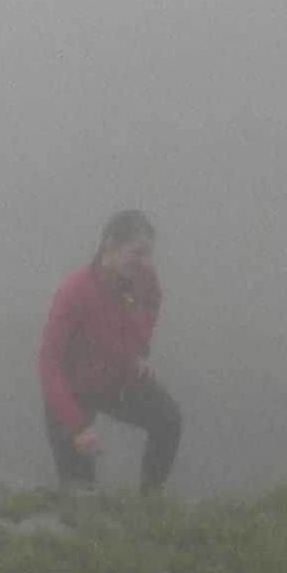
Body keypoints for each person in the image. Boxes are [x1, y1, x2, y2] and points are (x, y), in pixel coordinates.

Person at [37, 209, 181, 494]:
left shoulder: (145, 277)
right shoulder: (75, 290)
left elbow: (152, 305)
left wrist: (140, 351)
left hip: (118, 378)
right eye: (136, 253)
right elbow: (48, 363)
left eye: (148, 254)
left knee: (168, 420)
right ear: (110, 244)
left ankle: (150, 502)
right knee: (80, 493)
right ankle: (82, 514)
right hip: (71, 392)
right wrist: (78, 427)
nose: (144, 262)